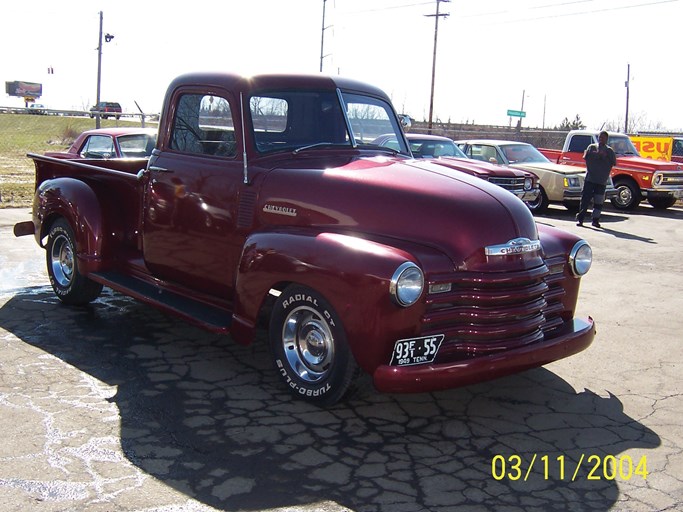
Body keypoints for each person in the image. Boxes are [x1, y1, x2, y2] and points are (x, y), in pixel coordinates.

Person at [576, 131, 616, 228]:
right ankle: (580, 219)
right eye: (600, 137)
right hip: (590, 179)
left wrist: (604, 156)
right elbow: (586, 157)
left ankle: (595, 220)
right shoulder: (592, 147)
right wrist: (596, 155)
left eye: (603, 137)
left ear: (607, 139)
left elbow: (613, 162)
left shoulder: (609, 151)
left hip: (601, 181)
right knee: (585, 200)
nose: (601, 139)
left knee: (598, 202)